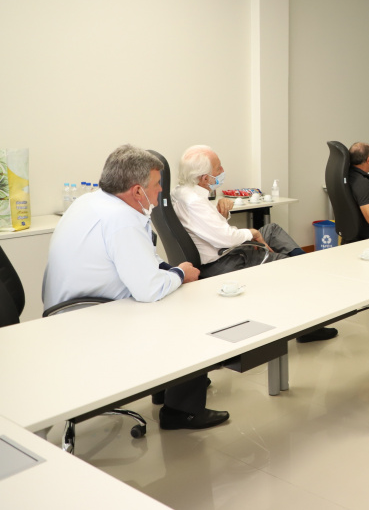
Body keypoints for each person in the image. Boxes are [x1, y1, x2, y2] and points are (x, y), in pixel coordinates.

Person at [42, 144, 228, 431]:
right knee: (192, 314)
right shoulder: (121, 219)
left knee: (176, 296)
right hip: (91, 318)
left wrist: (169, 270)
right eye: (156, 186)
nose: (159, 193)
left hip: (68, 312)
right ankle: (183, 411)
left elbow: (142, 260)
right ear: (137, 190)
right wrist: (180, 273)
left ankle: (169, 389)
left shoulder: (91, 202)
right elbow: (149, 289)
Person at [171, 145, 337, 343]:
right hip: (225, 261)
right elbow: (227, 238)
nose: (222, 172)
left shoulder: (183, 192)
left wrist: (222, 210)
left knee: (272, 229)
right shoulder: (194, 202)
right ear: (205, 178)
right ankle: (308, 328)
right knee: (290, 267)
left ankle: (309, 264)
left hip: (219, 252)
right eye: (218, 168)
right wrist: (252, 232)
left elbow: (209, 228)